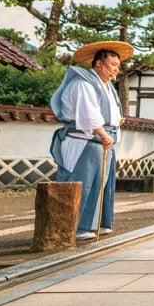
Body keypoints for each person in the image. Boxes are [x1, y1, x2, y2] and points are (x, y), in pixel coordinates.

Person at [50, 41, 133, 241]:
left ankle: (98, 223)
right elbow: (88, 113)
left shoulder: (107, 87)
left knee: (103, 185)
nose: (116, 69)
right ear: (99, 64)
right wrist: (103, 134)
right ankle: (78, 226)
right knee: (84, 182)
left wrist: (114, 125)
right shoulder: (84, 83)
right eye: (113, 64)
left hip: (104, 140)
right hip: (85, 139)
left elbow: (107, 113)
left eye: (117, 65)